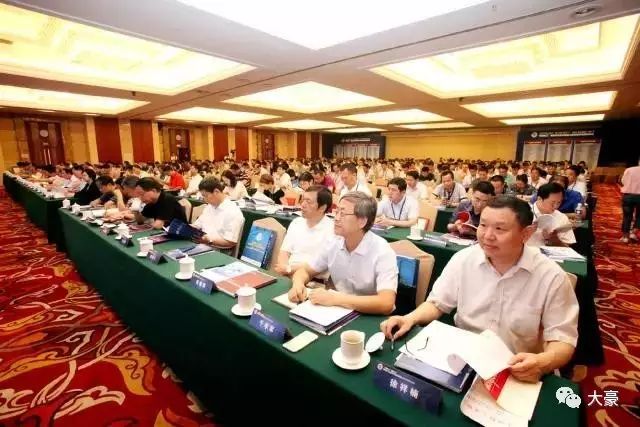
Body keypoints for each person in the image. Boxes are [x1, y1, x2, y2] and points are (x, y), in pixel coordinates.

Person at [381, 196, 579, 383]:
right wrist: (410, 318)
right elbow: (437, 303)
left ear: (526, 234)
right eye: (483, 225)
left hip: (516, 369)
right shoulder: (464, 259)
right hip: (463, 360)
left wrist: (543, 361)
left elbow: (563, 340)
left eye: (500, 228)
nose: (487, 236)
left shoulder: (551, 276)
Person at [288, 191, 398, 315]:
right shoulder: (333, 241)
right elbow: (305, 271)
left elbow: (386, 303)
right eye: (337, 212)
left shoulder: (382, 251)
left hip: (370, 316)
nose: (336, 218)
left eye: (343, 213)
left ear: (362, 221)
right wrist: (298, 285)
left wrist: (336, 299)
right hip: (339, 310)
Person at [275, 185, 334, 276]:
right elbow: (284, 252)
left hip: (312, 279)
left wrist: (289, 269)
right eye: (303, 200)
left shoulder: (332, 229)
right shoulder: (296, 222)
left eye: (308, 202)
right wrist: (284, 268)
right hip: (287, 274)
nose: (303, 205)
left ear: (322, 207)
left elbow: (319, 266)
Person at [192, 177, 244, 249]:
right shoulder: (209, 207)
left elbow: (230, 242)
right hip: (203, 245)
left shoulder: (233, 211)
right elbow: (197, 225)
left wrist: (208, 241)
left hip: (218, 250)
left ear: (216, 192)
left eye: (206, 196)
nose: (204, 199)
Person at [528, 183, 576, 247]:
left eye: (559, 202)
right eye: (552, 202)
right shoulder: (524, 212)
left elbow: (567, 246)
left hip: (549, 252)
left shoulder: (562, 217)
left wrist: (555, 240)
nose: (556, 206)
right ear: (539, 199)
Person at [621, 159, 640, 243]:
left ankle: (625, 237)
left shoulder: (629, 170)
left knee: (627, 216)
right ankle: (633, 233)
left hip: (628, 196)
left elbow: (623, 181)